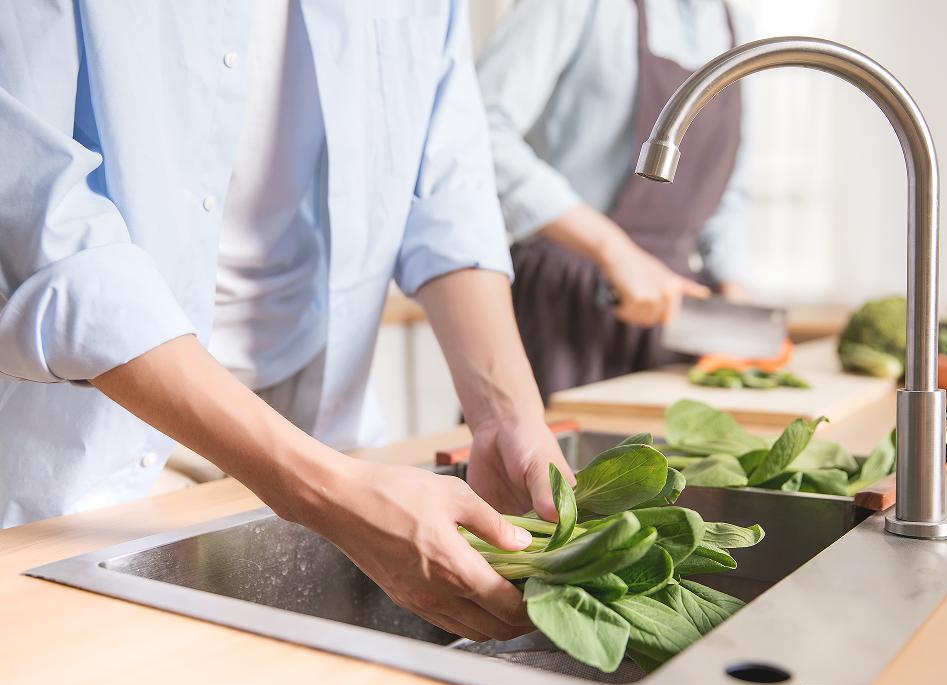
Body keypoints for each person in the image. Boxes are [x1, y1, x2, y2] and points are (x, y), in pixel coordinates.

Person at [0, 1, 572, 642]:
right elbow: (46, 231)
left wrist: (504, 415)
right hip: (102, 451)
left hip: (328, 433)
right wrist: (330, 492)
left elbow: (445, 189)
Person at [477, 0, 750, 402]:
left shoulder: (737, 27)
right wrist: (612, 249)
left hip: (671, 313)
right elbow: (480, 129)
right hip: (561, 304)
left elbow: (729, 191)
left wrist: (735, 295)